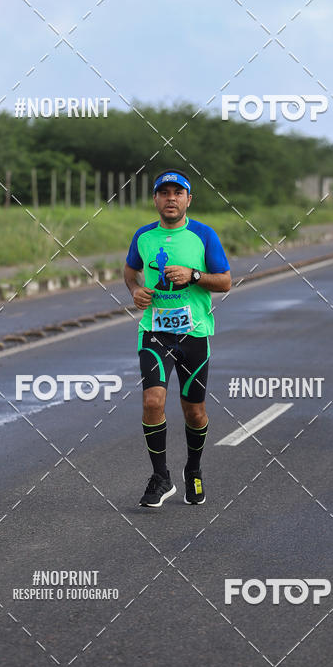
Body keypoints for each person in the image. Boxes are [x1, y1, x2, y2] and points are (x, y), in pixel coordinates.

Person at [124, 170, 231, 508]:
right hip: (154, 332)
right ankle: (161, 477)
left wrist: (194, 275)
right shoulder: (143, 236)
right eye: (164, 193)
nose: (170, 198)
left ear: (188, 199)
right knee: (152, 402)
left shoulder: (203, 234)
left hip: (194, 334)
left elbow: (225, 281)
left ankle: (193, 470)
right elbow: (130, 270)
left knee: (194, 412)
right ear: (155, 199)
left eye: (177, 193)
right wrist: (135, 290)